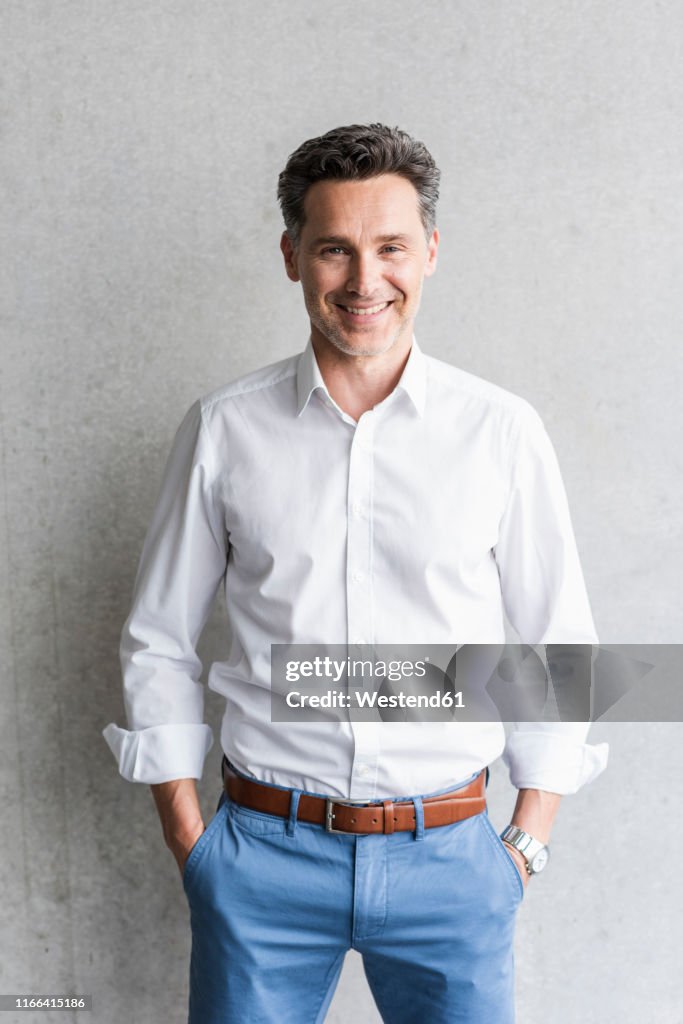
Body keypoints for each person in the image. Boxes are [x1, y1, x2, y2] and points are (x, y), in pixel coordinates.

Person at [103, 123, 608, 1023]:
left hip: (452, 860)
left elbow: (555, 648)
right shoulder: (224, 430)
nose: (364, 281)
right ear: (293, 256)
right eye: (335, 249)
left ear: (431, 253)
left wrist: (522, 845)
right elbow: (158, 639)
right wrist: (193, 840)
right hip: (261, 856)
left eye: (390, 248)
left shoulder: (500, 432)